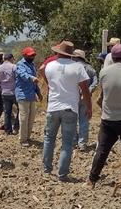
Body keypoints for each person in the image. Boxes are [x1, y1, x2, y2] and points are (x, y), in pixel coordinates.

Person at [87, 44, 121, 187]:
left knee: (102, 150)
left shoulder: (104, 72)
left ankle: (91, 180)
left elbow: (104, 92)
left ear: (112, 57)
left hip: (109, 119)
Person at [43, 41, 92, 181]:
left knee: (49, 138)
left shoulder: (50, 66)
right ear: (71, 54)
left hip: (52, 107)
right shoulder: (77, 67)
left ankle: (47, 169)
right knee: (67, 143)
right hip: (70, 108)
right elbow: (85, 90)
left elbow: (44, 74)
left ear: (58, 52)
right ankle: (62, 174)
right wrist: (89, 107)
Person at [15, 47, 42, 146]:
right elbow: (23, 75)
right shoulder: (19, 65)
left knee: (31, 117)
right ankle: (23, 139)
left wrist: (38, 92)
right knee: (23, 117)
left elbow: (34, 83)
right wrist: (31, 78)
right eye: (30, 55)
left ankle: (28, 137)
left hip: (31, 95)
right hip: (22, 95)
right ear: (24, 55)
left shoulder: (32, 65)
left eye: (33, 55)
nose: (32, 57)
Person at [73, 49, 99, 151]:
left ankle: (74, 141)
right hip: (86, 98)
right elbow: (95, 82)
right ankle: (82, 143)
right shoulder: (90, 68)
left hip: (72, 97)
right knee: (84, 120)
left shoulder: (72, 67)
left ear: (75, 57)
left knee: (73, 120)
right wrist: (89, 91)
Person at [0, 53, 17, 135]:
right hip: (14, 92)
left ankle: (8, 130)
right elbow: (17, 79)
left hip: (4, 92)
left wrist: (1, 88)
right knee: (20, 110)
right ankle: (16, 127)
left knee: (7, 112)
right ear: (11, 58)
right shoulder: (14, 67)